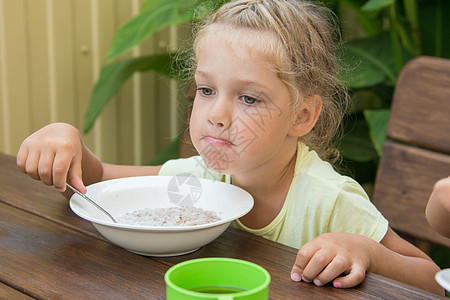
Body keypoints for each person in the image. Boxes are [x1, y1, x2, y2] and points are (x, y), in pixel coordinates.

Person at [16, 0, 443, 295]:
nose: (216, 114)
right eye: (206, 89)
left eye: (248, 98)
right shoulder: (204, 176)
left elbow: (431, 279)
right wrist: (66, 139)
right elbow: (99, 180)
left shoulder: (328, 200)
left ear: (302, 116)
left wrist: (365, 251)